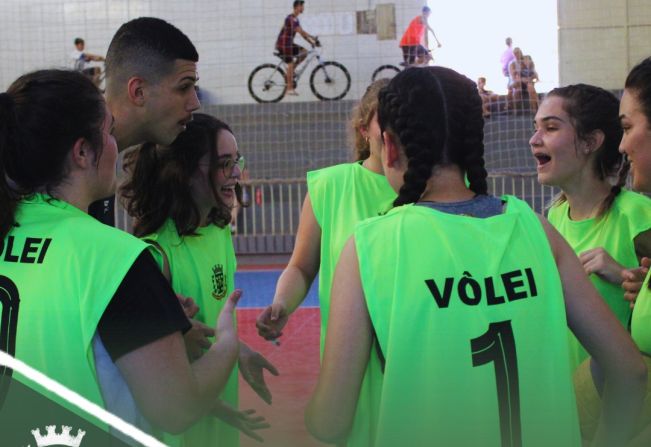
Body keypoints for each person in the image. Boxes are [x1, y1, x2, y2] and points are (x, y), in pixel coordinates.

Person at [304, 66, 646, 446]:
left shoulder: (371, 243)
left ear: (389, 145)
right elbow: (629, 370)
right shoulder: (536, 228)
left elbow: (331, 422)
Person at [0, 69, 241, 439]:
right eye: (109, 132)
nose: (116, 145)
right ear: (83, 152)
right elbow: (176, 409)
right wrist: (228, 341)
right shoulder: (115, 259)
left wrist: (152, 321)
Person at [120, 113, 275, 445]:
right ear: (185, 172)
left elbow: (204, 326)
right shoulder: (156, 255)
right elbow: (154, 375)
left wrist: (239, 350)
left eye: (237, 161)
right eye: (223, 164)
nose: (236, 173)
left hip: (215, 420)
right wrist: (214, 406)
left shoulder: (218, 232)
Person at [256, 79, 395, 445]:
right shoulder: (331, 187)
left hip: (416, 358)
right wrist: (282, 304)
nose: (398, 131)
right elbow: (302, 266)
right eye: (387, 120)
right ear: (364, 129)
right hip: (350, 368)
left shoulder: (435, 188)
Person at [530, 84, 651, 372]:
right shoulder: (553, 217)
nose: (534, 140)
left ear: (591, 142)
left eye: (550, 128)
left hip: (622, 403)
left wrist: (623, 275)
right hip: (570, 398)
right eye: (535, 128)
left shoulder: (638, 215)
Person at [89, 17, 201, 226]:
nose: (195, 103)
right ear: (138, 92)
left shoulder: (101, 156)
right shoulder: (65, 160)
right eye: (184, 87)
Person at [275, 0, 317, 96]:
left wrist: (311, 42)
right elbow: (301, 32)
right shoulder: (291, 18)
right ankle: (289, 88)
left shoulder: (295, 19)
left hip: (289, 44)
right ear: (297, 6)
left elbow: (301, 33)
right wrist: (313, 38)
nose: (303, 8)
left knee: (304, 52)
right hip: (284, 45)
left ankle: (290, 71)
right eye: (302, 6)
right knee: (289, 63)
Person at [500, 37, 515, 110]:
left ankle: (508, 104)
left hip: (508, 72)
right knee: (511, 87)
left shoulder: (504, 52)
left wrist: (504, 71)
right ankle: (509, 105)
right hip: (512, 72)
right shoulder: (512, 51)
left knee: (510, 87)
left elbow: (502, 62)